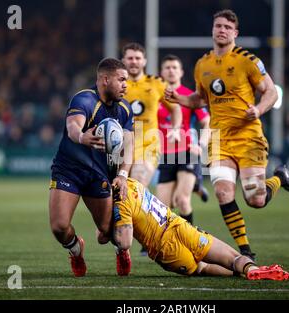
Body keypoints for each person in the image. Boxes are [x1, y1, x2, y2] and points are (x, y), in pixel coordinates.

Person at [165, 9, 289, 260]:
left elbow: (271, 92)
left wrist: (259, 109)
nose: (222, 30)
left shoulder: (248, 60)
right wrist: (180, 99)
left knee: (255, 199)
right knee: (223, 193)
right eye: (218, 26)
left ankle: (280, 178)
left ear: (235, 33)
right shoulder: (202, 64)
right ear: (212, 30)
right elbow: (201, 99)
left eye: (227, 27)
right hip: (220, 139)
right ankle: (245, 251)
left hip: (248, 136)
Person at [99, 178, 289, 281]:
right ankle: (252, 269)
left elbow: (124, 242)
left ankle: (243, 273)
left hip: (166, 249)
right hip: (178, 225)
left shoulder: (120, 204)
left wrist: (107, 228)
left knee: (203, 268)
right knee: (233, 258)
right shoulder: (134, 183)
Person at [49, 58, 134, 277]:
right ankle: (76, 251)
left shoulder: (125, 108)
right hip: (69, 169)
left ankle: (120, 250)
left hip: (99, 174)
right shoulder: (85, 99)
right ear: (105, 79)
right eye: (121, 79)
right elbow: (72, 126)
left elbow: (129, 144)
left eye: (127, 80)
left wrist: (123, 174)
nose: (126, 84)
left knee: (105, 233)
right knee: (59, 227)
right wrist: (81, 137)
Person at [157, 54, 211, 225]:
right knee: (163, 207)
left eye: (175, 68)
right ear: (162, 72)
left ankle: (190, 241)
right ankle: (160, 245)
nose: (171, 71)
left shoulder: (189, 96)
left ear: (181, 72)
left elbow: (207, 122)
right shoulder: (155, 96)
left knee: (181, 199)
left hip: (187, 152)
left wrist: (201, 146)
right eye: (167, 67)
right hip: (165, 154)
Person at [122, 43, 182, 188]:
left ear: (144, 61)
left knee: (136, 185)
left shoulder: (157, 83)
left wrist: (175, 129)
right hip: (121, 147)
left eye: (137, 58)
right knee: (118, 194)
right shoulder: (118, 84)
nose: (134, 61)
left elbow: (175, 109)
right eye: (130, 58)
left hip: (148, 146)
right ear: (123, 61)